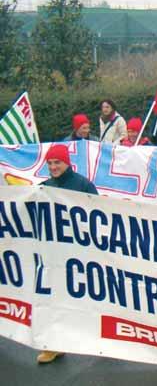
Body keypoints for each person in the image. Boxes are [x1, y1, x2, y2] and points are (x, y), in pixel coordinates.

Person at [37, 144, 98, 364]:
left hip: (81, 253)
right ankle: (55, 345)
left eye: (57, 163)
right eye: (50, 163)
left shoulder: (82, 184)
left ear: (67, 163)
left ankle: (104, 341)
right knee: (55, 299)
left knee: (91, 300)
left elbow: (101, 213)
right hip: (56, 254)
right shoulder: (44, 186)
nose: (53, 167)